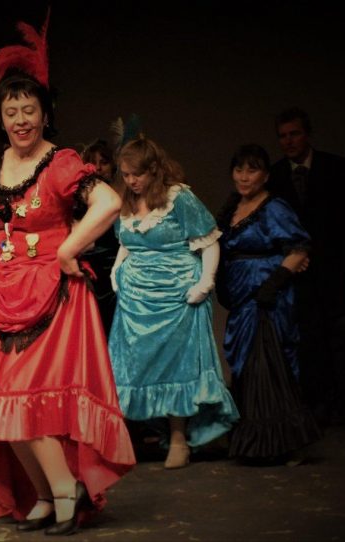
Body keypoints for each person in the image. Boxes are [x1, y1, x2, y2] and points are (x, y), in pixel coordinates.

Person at [0, 16, 134, 536]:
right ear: (1, 120)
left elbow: (108, 202)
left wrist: (68, 248)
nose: (21, 120)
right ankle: (44, 495)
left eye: (29, 110)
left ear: (45, 115)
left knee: (22, 403)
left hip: (51, 296)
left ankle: (66, 493)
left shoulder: (60, 163)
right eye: (11, 112)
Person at [108, 136, 238, 470]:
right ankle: (132, 438)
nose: (131, 181)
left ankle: (179, 438)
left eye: (137, 174)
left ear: (153, 169)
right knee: (131, 366)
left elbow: (209, 240)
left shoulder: (178, 197)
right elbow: (127, 241)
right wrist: (117, 269)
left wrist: (206, 282)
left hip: (175, 295)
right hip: (136, 298)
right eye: (126, 174)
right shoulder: (126, 200)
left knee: (176, 366)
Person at [216, 144, 320, 463]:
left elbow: (299, 248)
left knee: (268, 365)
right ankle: (253, 443)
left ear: (265, 175)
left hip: (266, 297)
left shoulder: (274, 207)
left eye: (252, 170)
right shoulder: (232, 207)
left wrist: (273, 284)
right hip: (240, 296)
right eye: (239, 169)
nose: (244, 177)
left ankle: (284, 444)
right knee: (247, 365)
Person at [268, 107, 345, 430]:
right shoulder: (275, 175)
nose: (289, 141)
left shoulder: (336, 168)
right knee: (308, 343)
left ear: (307, 134)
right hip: (298, 276)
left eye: (294, 134)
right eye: (283, 136)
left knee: (342, 342)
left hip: (334, 269)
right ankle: (319, 411)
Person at [79, 138, 120, 326]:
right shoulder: (76, 201)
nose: (98, 168)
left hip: (114, 270)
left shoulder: (121, 197)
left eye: (104, 162)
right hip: (86, 271)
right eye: (92, 163)